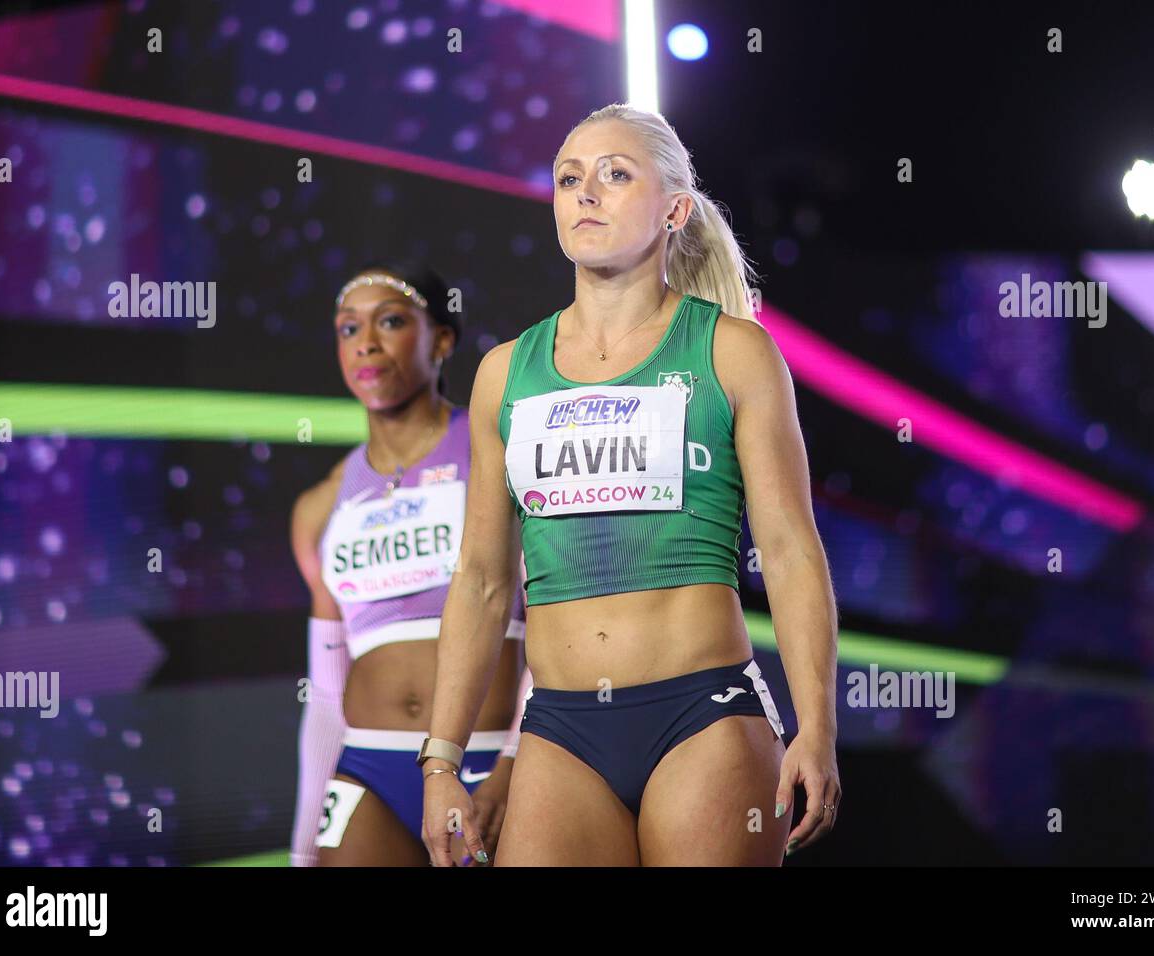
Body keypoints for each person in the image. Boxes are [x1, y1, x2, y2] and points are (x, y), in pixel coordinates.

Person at [420, 104, 841, 866]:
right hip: (560, 732)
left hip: (702, 717)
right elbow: (482, 579)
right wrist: (441, 761)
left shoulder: (735, 353)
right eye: (569, 178)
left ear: (675, 209)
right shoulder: (503, 375)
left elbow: (788, 549)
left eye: (616, 175)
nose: (587, 193)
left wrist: (819, 727)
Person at [289, 261, 529, 866]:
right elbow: (324, 691)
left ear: (441, 339)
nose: (366, 343)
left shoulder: (493, 451)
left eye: (390, 322)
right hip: (365, 767)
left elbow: (553, 625)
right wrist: (301, 850)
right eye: (348, 329)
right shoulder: (320, 507)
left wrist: (518, 760)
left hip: (486, 755)